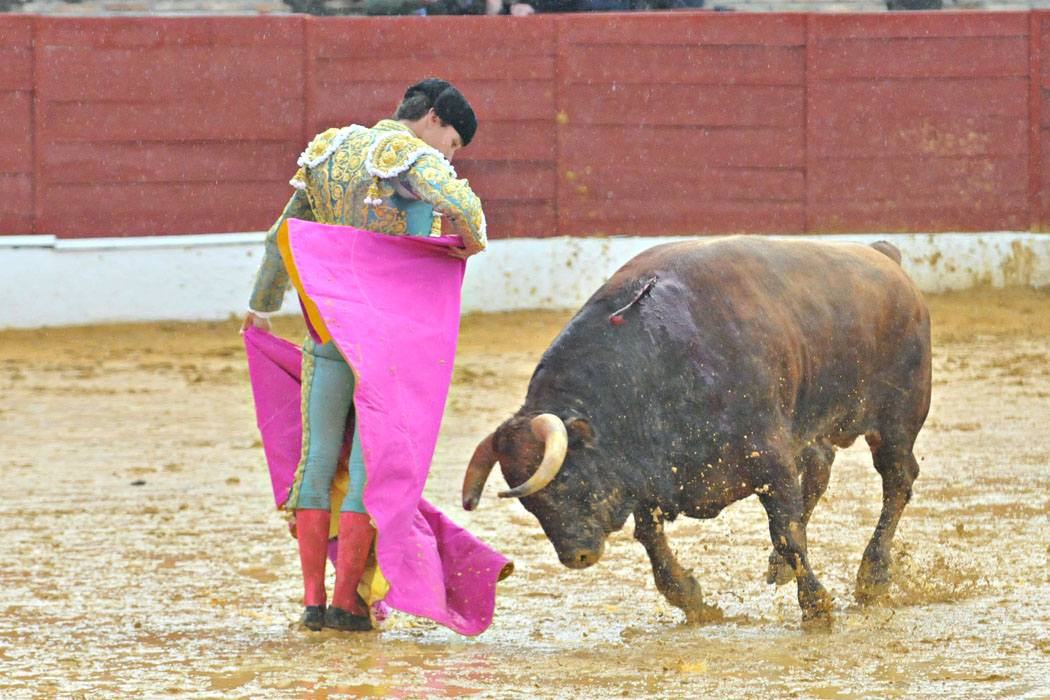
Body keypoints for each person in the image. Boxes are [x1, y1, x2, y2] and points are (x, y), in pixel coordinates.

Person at [240, 78, 486, 632]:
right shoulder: (406, 154)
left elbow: (282, 234)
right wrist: (472, 237)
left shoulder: (328, 148)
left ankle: (312, 601)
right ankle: (348, 600)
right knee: (368, 466)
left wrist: (261, 307)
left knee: (318, 458)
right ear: (431, 118)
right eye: (451, 144)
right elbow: (457, 200)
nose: (447, 156)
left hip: (327, 333)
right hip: (385, 338)